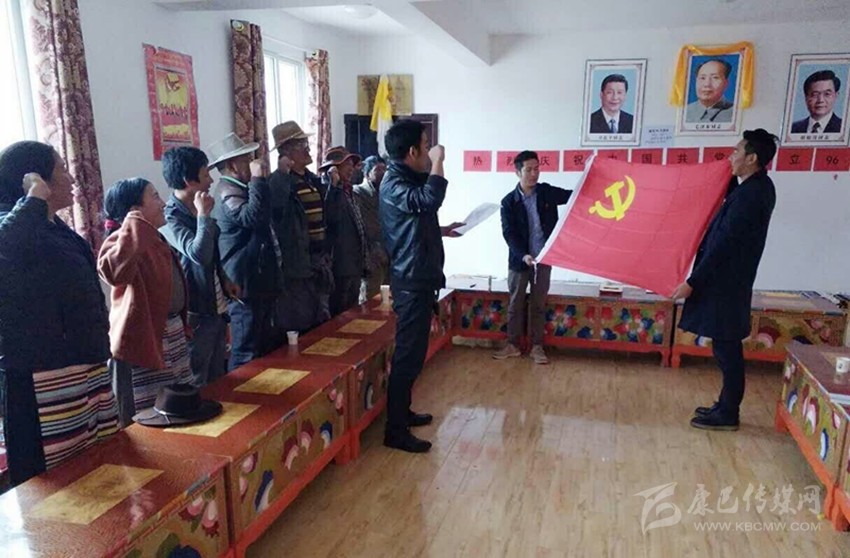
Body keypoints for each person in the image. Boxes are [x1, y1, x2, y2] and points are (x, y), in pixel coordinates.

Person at [0, 141, 117, 486]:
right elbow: (6, 249)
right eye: (62, 169)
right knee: (56, 483)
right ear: (33, 178)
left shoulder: (54, 227)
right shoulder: (13, 221)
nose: (72, 178)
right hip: (42, 377)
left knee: (96, 467)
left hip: (82, 366)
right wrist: (34, 198)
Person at [672, 128, 778, 431]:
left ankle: (728, 413)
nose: (730, 157)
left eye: (736, 152)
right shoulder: (755, 187)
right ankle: (724, 405)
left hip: (726, 284)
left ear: (752, 158)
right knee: (724, 346)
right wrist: (725, 174)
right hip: (729, 282)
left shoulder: (752, 195)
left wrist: (693, 282)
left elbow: (724, 244)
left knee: (727, 349)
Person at [99, 178, 192, 427]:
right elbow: (113, 272)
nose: (163, 203)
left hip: (170, 335)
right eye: (155, 196)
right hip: (144, 341)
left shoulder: (154, 238)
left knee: (177, 411)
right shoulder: (121, 240)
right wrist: (133, 224)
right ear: (134, 210)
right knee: (148, 418)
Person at [380, 119, 449, 453]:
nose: (429, 151)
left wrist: (442, 230)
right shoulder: (393, 182)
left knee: (414, 354)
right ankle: (394, 431)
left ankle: (403, 413)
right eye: (425, 146)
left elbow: (422, 207)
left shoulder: (405, 177)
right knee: (408, 356)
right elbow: (429, 199)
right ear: (412, 151)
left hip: (419, 277)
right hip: (410, 281)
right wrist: (439, 161)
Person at [160, 147, 239, 387]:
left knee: (219, 377)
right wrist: (203, 217)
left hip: (215, 304)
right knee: (197, 378)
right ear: (189, 181)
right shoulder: (171, 217)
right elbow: (198, 255)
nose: (211, 181)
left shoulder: (197, 206)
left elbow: (212, 255)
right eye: (205, 175)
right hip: (196, 311)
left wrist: (224, 278)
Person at [493, 151, 573, 365]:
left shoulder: (546, 192)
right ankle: (512, 345)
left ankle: (537, 347)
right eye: (529, 169)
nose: (534, 174)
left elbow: (574, 196)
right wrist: (523, 255)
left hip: (544, 259)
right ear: (518, 172)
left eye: (537, 169)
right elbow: (509, 234)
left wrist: (593, 179)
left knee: (538, 305)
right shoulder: (509, 202)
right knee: (515, 304)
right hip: (519, 261)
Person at [208, 133, 280, 369]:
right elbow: (253, 217)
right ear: (231, 166)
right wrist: (258, 180)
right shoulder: (227, 191)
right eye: (245, 159)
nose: (251, 162)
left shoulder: (241, 188)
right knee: (246, 350)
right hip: (243, 283)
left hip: (257, 279)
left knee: (263, 345)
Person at [269, 121, 333, 332]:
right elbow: (276, 213)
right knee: (301, 321)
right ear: (286, 152)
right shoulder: (278, 182)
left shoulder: (311, 180)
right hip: (297, 264)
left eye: (306, 143)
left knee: (321, 320)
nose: (308, 149)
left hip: (319, 260)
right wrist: (282, 175)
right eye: (301, 145)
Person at [321, 146, 367, 316]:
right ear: (333, 168)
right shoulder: (326, 190)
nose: (351, 169)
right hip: (339, 266)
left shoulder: (349, 190)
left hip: (354, 265)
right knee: (339, 316)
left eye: (351, 164)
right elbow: (330, 217)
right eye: (346, 164)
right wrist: (333, 185)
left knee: (353, 314)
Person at [354, 155, 388, 304]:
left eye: (384, 169)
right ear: (367, 174)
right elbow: (366, 226)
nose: (383, 173)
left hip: (389, 254)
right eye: (378, 170)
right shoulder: (358, 193)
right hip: (371, 257)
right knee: (370, 300)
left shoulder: (386, 193)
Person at [685, 59, 734, 123]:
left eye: (715, 77)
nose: (707, 84)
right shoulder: (685, 111)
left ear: (725, 83)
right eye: (702, 78)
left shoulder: (734, 112)